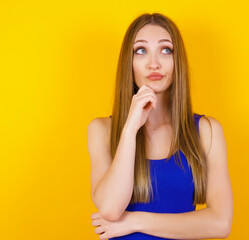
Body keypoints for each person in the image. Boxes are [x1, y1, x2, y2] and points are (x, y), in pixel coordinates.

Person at [87, 12, 233, 240]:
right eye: (141, 51)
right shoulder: (101, 130)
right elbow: (110, 209)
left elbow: (220, 223)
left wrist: (135, 221)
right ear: (129, 61)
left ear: (178, 62)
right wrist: (130, 128)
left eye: (166, 50)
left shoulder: (207, 130)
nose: (153, 63)